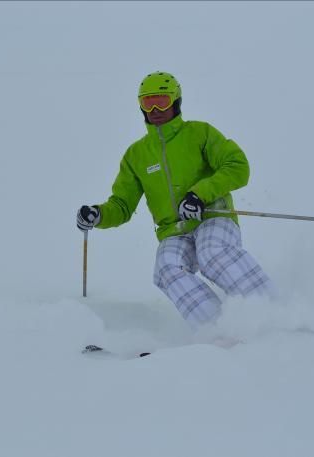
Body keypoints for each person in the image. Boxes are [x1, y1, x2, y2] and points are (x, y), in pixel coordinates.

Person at [76, 71, 275, 330]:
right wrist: (99, 214)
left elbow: (238, 166)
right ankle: (219, 330)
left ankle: (273, 310)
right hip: (174, 231)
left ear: (176, 102)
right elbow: (123, 205)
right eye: (148, 103)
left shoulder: (199, 133)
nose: (156, 109)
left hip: (211, 216)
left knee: (211, 253)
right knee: (166, 268)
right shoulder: (136, 155)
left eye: (162, 101)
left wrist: (200, 195)